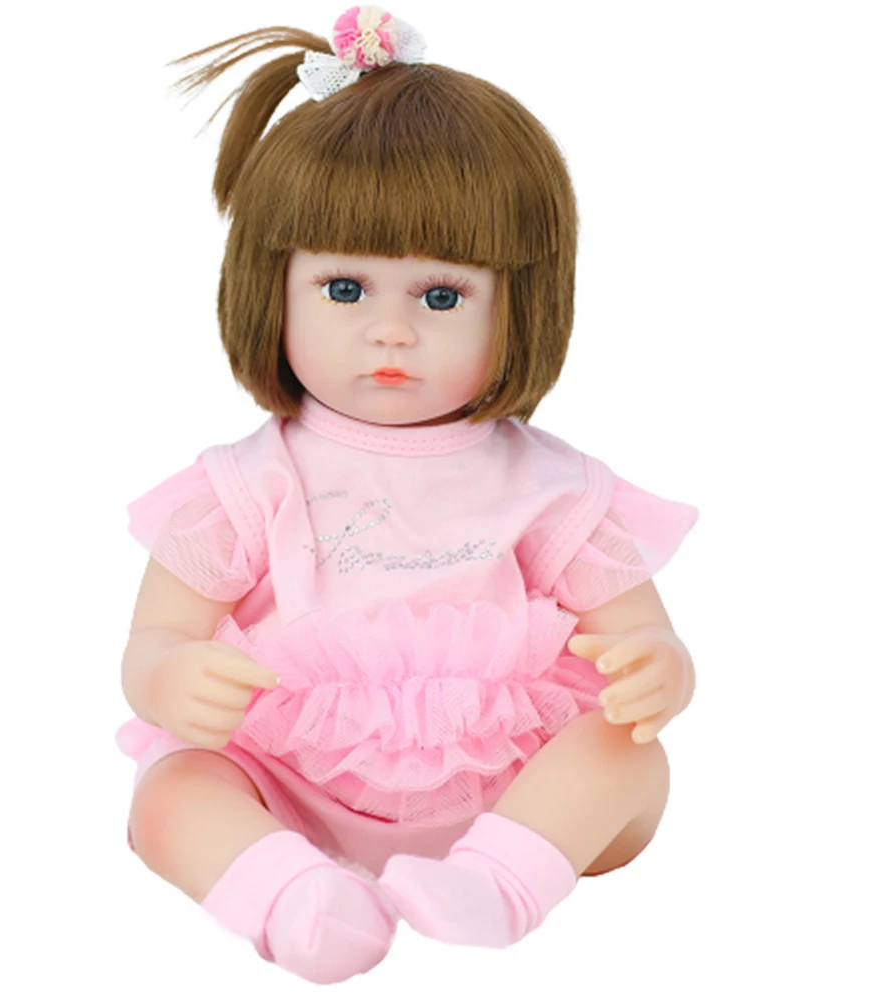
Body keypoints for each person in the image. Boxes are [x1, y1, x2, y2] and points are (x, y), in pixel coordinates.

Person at [117, 6, 699, 985]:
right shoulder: (244, 483)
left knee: (625, 752)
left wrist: (658, 669)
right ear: (272, 288)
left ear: (520, 304)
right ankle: (295, 898)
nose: (391, 332)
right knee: (170, 793)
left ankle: (496, 883)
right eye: (345, 290)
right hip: (289, 780)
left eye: (439, 296)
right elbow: (153, 641)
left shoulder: (551, 486)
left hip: (511, 787)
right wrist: (171, 677)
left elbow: (644, 635)